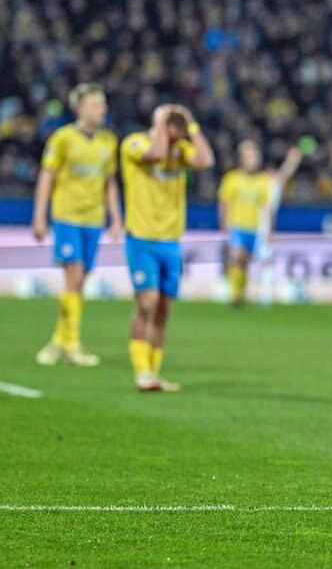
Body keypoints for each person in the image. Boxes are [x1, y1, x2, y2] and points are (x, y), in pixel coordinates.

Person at [120, 104, 214, 392]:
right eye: (173, 124)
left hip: (171, 241)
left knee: (163, 309)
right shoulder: (135, 143)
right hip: (142, 238)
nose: (178, 130)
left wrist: (192, 124)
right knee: (146, 304)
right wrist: (162, 123)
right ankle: (141, 371)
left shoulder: (181, 150)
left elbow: (206, 161)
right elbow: (156, 154)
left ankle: (154, 373)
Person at [31, 83, 123, 367]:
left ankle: (59, 340)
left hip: (93, 219)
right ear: (80, 108)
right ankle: (72, 344)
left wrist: (117, 218)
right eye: (97, 104)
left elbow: (110, 183)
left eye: (103, 104)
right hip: (67, 216)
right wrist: (39, 216)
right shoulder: (63, 139)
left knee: (79, 282)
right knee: (74, 275)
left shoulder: (108, 141)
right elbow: (47, 176)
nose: (102, 109)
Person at [218, 140, 302, 306]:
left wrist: (270, 227)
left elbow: (268, 205)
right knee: (237, 256)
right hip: (238, 226)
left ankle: (248, 293)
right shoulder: (232, 178)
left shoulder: (263, 181)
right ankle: (235, 296)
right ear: (242, 159)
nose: (253, 161)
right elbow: (224, 202)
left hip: (256, 228)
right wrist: (225, 224)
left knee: (248, 261)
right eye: (249, 157)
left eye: (255, 157)